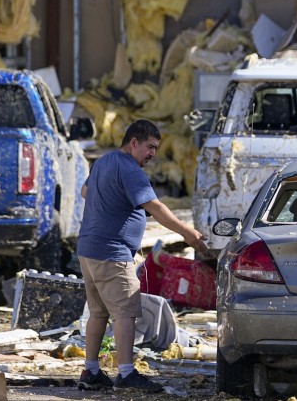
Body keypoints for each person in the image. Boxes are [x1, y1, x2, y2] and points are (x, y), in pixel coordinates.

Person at [75, 119, 209, 392]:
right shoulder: (130, 170)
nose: (152, 154)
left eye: (156, 149)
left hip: (88, 250)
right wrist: (188, 233)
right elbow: (156, 207)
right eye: (149, 147)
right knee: (125, 312)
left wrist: (111, 203)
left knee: (98, 313)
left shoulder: (104, 161)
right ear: (133, 142)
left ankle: (90, 371)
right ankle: (125, 374)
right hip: (112, 253)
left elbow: (85, 191)